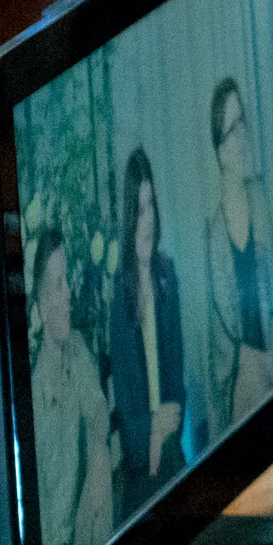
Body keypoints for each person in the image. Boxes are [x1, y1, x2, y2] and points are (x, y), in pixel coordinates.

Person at [201, 77, 273, 441]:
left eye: (243, 123)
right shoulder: (212, 234)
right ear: (219, 149)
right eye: (232, 129)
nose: (243, 136)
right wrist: (254, 365)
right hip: (240, 383)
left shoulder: (261, 199)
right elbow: (221, 340)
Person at [30, 228, 118, 545]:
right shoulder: (33, 399)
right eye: (58, 285)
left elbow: (98, 412)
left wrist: (97, 451)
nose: (69, 293)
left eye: (67, 281)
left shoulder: (76, 349)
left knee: (104, 466)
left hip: (81, 538)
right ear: (40, 305)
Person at [109, 147, 188, 510]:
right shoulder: (119, 298)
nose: (148, 221)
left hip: (169, 446)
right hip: (141, 465)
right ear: (129, 218)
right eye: (139, 210)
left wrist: (164, 429)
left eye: (151, 206)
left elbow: (177, 384)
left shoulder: (167, 276)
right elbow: (128, 412)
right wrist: (152, 432)